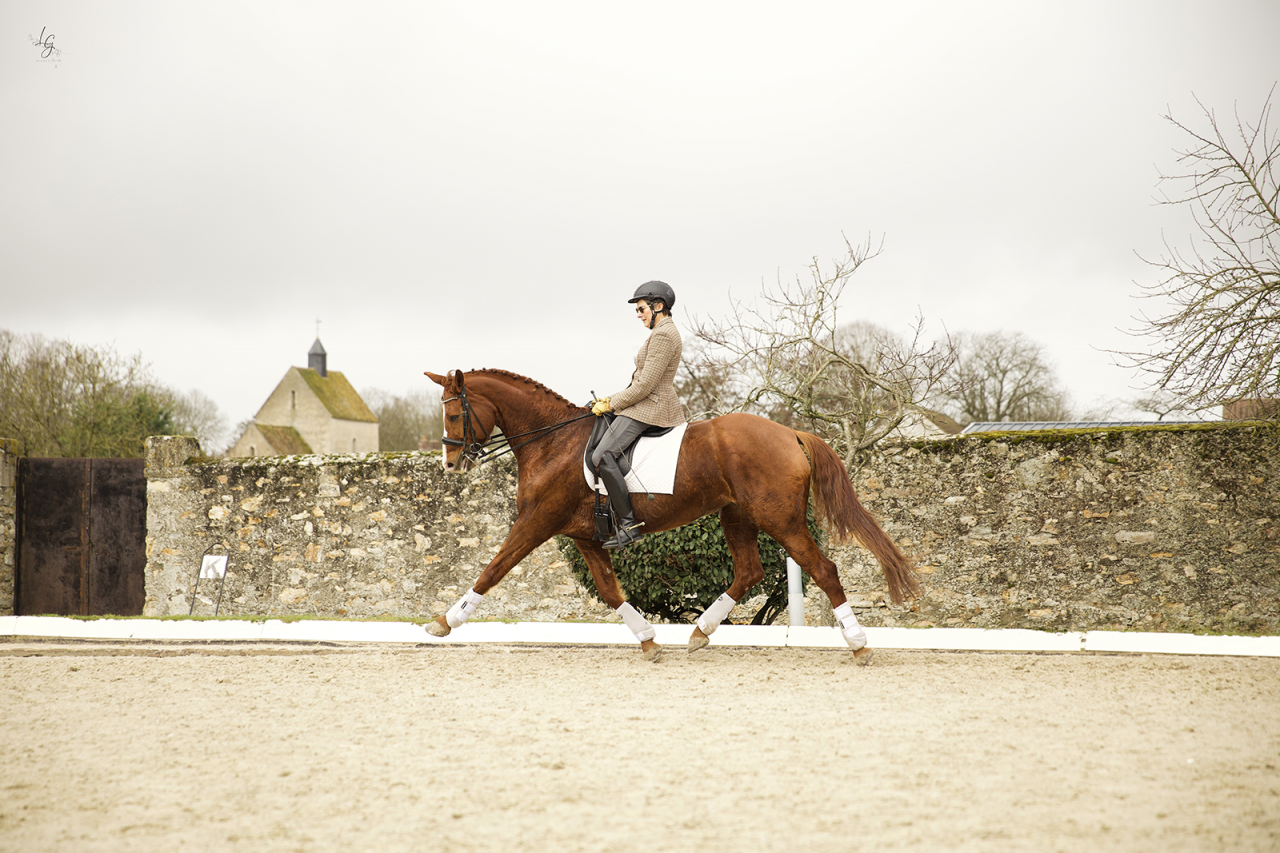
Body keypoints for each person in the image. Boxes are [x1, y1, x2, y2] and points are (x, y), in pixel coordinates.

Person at [590, 281, 686, 549]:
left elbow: (645, 386)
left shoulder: (664, 335)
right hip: (645, 402)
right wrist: (609, 399)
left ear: (658, 307)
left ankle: (629, 525)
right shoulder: (659, 333)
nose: (639, 314)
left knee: (602, 455)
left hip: (652, 407)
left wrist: (611, 404)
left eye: (641, 308)